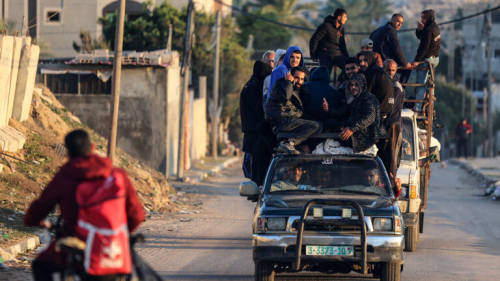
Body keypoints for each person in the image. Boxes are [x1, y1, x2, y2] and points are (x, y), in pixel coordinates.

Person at [24, 129, 145, 281]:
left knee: (40, 265)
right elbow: (138, 215)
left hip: (77, 253)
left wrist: (32, 221)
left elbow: (38, 210)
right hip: (114, 254)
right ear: (93, 147)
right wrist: (114, 234)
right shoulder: (117, 175)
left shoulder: (64, 177)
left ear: (68, 154)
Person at [322, 73, 386, 153]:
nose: (353, 87)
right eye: (351, 85)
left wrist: (352, 129)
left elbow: (369, 117)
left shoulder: (368, 98)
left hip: (363, 138)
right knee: (329, 123)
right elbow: (341, 112)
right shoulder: (355, 99)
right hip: (355, 132)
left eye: (356, 85)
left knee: (329, 124)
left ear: (362, 85)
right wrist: (328, 109)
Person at [265, 67, 322, 155]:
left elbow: (300, 110)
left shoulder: (297, 89)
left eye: (302, 79)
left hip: (288, 121)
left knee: (319, 125)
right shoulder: (281, 86)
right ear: (290, 76)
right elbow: (285, 96)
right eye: (297, 78)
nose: (299, 81)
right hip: (281, 122)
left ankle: (290, 145)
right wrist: (288, 82)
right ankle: (289, 143)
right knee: (316, 126)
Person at [240, 61, 273, 179]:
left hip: (252, 130)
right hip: (253, 131)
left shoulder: (253, 84)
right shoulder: (252, 88)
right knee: (256, 160)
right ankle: (256, 185)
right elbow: (258, 109)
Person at [382, 59, 404, 185]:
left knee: (390, 158)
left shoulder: (396, 87)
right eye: (388, 70)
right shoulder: (385, 84)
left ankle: (390, 185)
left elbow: (389, 108)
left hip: (392, 125)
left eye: (393, 70)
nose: (390, 72)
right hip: (387, 124)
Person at [370, 13, 412, 82]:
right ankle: (400, 90)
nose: (399, 24)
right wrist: (405, 63)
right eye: (398, 21)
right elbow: (397, 49)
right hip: (385, 62)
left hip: (374, 62)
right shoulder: (391, 30)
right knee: (407, 70)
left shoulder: (378, 30)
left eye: (401, 23)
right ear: (392, 20)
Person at [413, 9, 440, 112]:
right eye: (421, 18)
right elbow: (422, 37)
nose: (422, 20)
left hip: (427, 60)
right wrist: (419, 30)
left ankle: (417, 109)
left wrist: (416, 60)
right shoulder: (434, 26)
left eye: (424, 18)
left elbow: (423, 48)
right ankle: (430, 107)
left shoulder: (428, 30)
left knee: (420, 84)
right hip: (435, 59)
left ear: (429, 17)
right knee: (429, 83)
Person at [309, 8, 349, 76]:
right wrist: (313, 55)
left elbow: (343, 46)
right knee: (325, 76)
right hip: (326, 56)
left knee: (349, 67)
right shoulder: (326, 26)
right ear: (339, 17)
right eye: (345, 17)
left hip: (338, 56)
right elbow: (314, 40)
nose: (346, 19)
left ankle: (338, 85)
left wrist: (348, 59)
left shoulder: (341, 29)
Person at [358, 51, 395, 119]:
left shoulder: (371, 71)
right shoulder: (378, 70)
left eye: (365, 60)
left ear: (370, 59)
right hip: (387, 109)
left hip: (379, 110)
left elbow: (366, 92)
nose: (362, 63)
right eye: (360, 61)